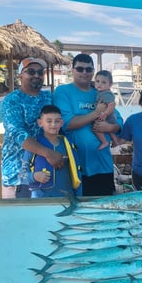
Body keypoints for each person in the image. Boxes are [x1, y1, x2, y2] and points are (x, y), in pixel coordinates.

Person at [53, 53, 123, 196]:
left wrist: (111, 128)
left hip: (103, 165)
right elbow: (67, 123)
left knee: (105, 209)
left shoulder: (100, 91)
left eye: (89, 69)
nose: (84, 72)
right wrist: (96, 113)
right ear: (72, 70)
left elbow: (118, 120)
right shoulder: (63, 91)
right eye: (80, 69)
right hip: (76, 166)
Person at [0, 57, 64, 199]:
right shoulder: (12, 100)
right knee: (20, 218)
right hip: (17, 175)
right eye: (31, 71)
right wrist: (48, 153)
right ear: (20, 75)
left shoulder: (48, 97)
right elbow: (17, 134)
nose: (37, 75)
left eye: (40, 72)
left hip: (45, 169)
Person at [22, 105, 82, 198]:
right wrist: (34, 176)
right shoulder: (34, 146)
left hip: (67, 197)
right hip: (41, 200)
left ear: (61, 123)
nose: (53, 124)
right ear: (40, 123)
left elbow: (76, 172)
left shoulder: (68, 144)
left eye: (57, 121)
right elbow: (21, 176)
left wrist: (78, 195)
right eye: (49, 121)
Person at [93, 70, 120, 150]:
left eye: (103, 82)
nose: (99, 84)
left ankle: (104, 142)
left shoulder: (106, 94)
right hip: (109, 116)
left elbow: (111, 105)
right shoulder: (101, 92)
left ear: (110, 85)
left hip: (108, 116)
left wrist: (105, 114)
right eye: (97, 81)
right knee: (109, 131)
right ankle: (115, 141)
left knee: (96, 128)